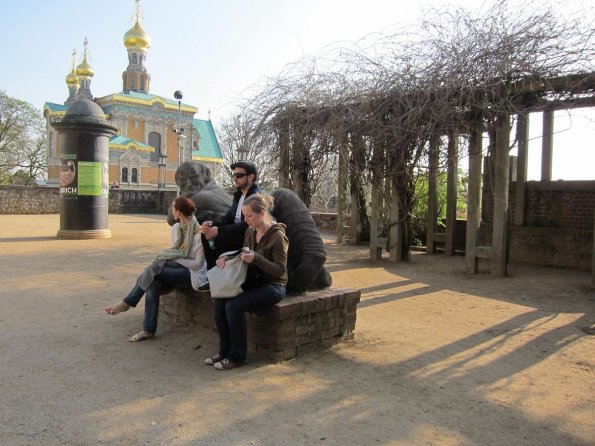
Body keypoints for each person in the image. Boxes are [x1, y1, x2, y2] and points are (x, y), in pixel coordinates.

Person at [104, 196, 207, 341]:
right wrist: (174, 257)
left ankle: (127, 302)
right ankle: (148, 329)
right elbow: (175, 250)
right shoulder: (177, 228)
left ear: (178, 212)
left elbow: (198, 264)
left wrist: (177, 258)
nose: (171, 210)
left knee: (155, 268)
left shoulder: (199, 234)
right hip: (175, 269)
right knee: (153, 283)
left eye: (173, 208)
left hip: (191, 274)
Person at [205, 193, 288, 370]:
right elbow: (242, 254)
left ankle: (237, 357)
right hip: (253, 280)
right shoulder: (250, 230)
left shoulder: (278, 237)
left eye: (249, 216)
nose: (246, 220)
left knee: (233, 306)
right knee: (220, 301)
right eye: (244, 216)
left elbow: (280, 271)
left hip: (273, 285)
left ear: (262, 213)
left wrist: (256, 258)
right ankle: (224, 351)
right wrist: (224, 259)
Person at [201, 160, 262, 270]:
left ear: (251, 177)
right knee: (205, 234)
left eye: (239, 175)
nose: (234, 178)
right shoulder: (239, 195)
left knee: (219, 238)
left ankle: (221, 273)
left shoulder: (256, 197)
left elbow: (247, 225)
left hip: (248, 236)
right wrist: (212, 224)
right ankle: (211, 272)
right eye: (234, 175)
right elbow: (229, 217)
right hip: (235, 232)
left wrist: (219, 230)